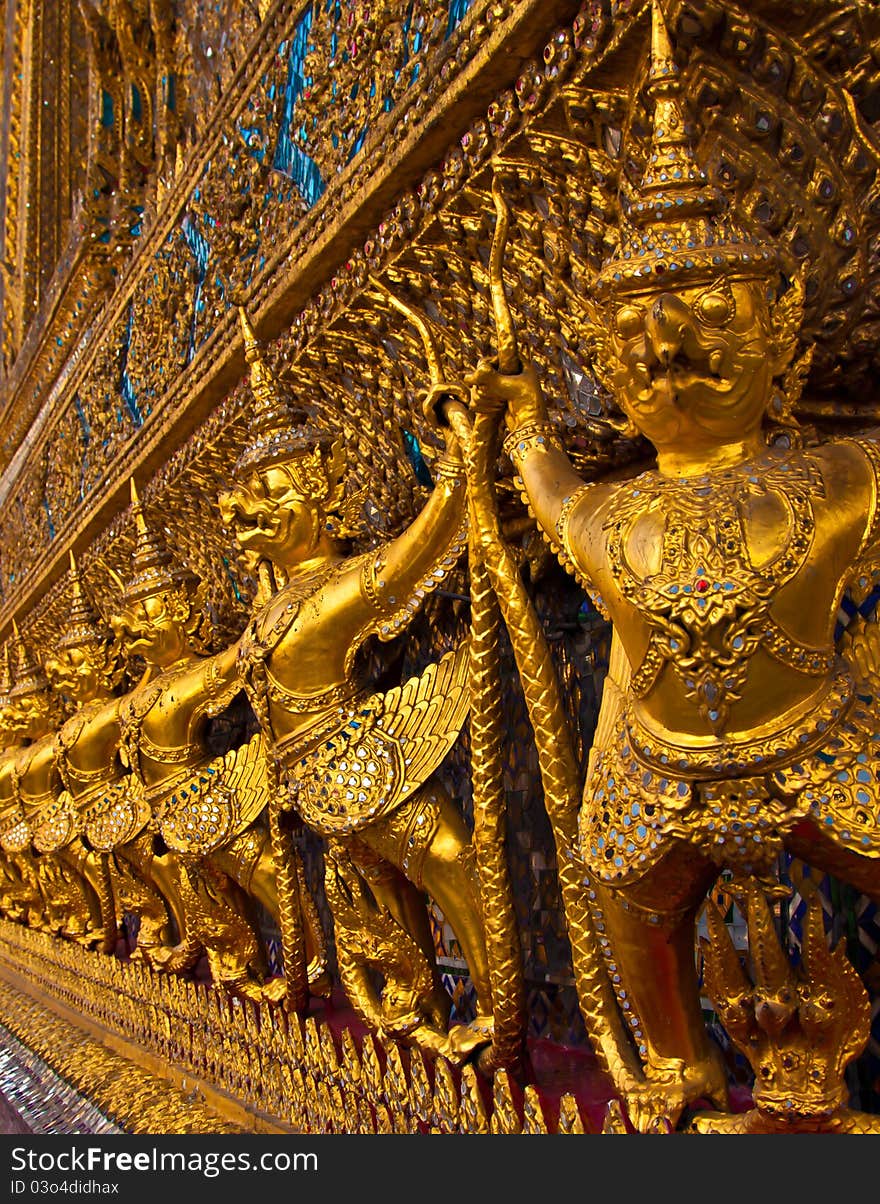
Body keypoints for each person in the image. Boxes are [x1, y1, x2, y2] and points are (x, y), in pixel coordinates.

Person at [465, 4, 880, 1125]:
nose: (671, 350)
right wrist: (511, 421)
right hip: (656, 768)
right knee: (618, 897)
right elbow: (547, 495)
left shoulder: (846, 474)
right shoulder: (611, 509)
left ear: (781, 326)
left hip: (825, 743)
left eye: (707, 310)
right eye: (637, 333)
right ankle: (674, 1065)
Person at [218, 309, 494, 1061]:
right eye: (245, 499)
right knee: (374, 903)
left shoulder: (341, 585)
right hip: (306, 786)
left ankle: (499, 1009)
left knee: (452, 865)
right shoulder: (269, 610)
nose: (251, 511)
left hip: (365, 766)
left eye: (272, 490)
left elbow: (423, 549)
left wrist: (463, 458)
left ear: (322, 493)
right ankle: (403, 1008)